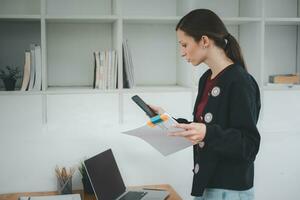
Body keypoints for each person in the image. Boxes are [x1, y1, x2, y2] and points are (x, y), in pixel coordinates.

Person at [150, 9, 261, 200]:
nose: (182, 52)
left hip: (229, 190)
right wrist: (167, 119)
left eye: (184, 44)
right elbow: (205, 127)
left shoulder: (240, 81)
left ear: (204, 41)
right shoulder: (206, 79)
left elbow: (249, 145)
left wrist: (206, 133)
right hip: (206, 184)